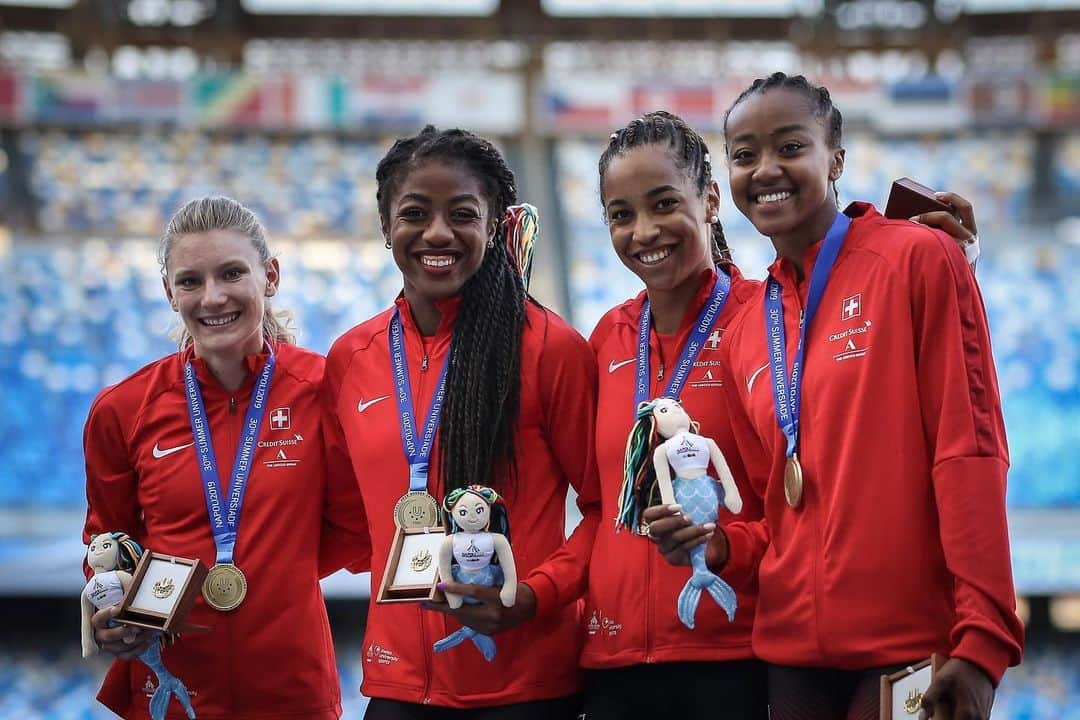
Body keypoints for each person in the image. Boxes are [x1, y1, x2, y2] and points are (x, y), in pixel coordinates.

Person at [645, 73, 1023, 720]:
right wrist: (721, 547)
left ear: (836, 159)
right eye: (744, 155)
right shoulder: (744, 333)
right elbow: (772, 513)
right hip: (791, 656)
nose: (766, 169)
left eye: (790, 146)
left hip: (907, 643)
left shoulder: (917, 260)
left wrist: (983, 636)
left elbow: (969, 448)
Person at [322, 126, 600, 718]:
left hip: (526, 685)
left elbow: (605, 509)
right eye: (415, 213)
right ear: (384, 225)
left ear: (496, 223)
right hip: (397, 686)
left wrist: (533, 596)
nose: (437, 233)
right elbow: (344, 521)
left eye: (462, 214)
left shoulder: (551, 349)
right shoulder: (351, 358)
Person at [82, 195, 369, 719]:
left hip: (292, 688)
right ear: (170, 293)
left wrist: (276, 568)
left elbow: (356, 526)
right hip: (170, 689)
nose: (213, 298)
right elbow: (107, 541)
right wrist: (110, 607)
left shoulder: (324, 389)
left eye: (232, 273)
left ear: (271, 276)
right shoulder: (122, 410)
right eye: (191, 281)